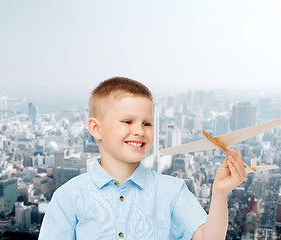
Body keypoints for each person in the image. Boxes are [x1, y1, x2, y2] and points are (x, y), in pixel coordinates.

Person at [39, 77, 246, 240]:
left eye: (147, 123)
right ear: (96, 128)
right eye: (127, 121)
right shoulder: (68, 196)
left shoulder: (172, 191)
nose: (139, 131)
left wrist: (219, 193)